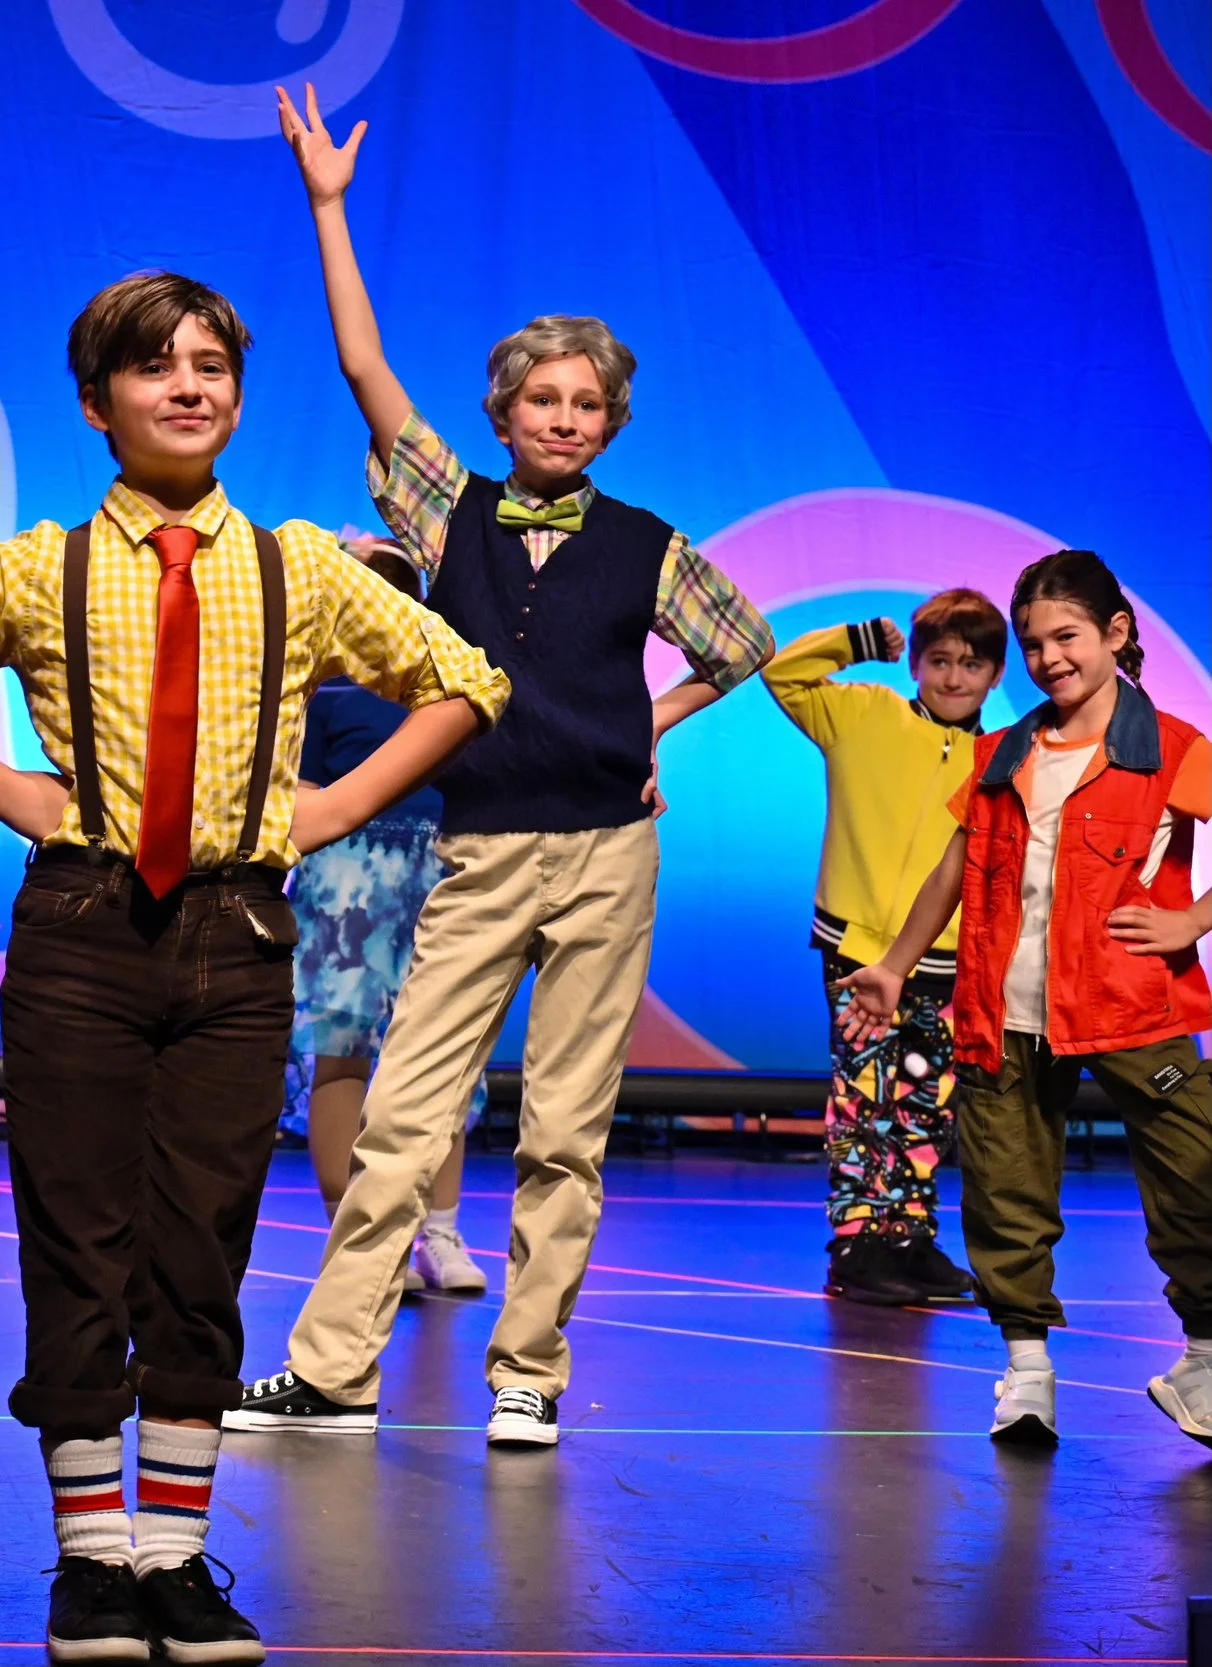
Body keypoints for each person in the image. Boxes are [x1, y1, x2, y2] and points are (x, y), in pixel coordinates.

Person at [0, 272, 506, 1664]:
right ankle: (90, 1555)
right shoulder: (40, 565)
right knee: (77, 1235)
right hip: (83, 929)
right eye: (156, 368)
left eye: (211, 366)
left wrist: (331, 806)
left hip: (239, 934)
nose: (188, 386)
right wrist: (9, 788)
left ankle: (179, 1553)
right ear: (97, 403)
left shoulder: (299, 564)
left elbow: (469, 681)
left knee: (202, 1242)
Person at [228, 84, 774, 1450]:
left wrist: (650, 727)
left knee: (566, 1133)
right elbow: (365, 370)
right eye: (545, 396)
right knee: (405, 1118)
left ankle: (528, 1371)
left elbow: (745, 642)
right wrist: (329, 208)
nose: (567, 416)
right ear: (506, 407)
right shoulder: (444, 506)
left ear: (613, 420)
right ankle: (334, 1370)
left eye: (590, 402)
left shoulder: (644, 539)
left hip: (603, 851)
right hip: (473, 852)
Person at [839, 550, 1212, 1452]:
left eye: (1068, 637)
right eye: (1035, 643)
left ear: (1116, 635)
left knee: (1196, 1181)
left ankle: (1203, 1357)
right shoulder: (1006, 752)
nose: (1049, 658)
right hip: (1005, 1009)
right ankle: (1028, 1373)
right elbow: (953, 868)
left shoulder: (1170, 746)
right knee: (1007, 1194)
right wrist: (892, 965)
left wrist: (1192, 920)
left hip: (1135, 1005)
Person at [763, 592, 1007, 1306]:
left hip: (946, 959)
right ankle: (858, 1242)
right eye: (940, 661)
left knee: (926, 1101)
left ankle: (909, 1235)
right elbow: (781, 673)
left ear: (995, 674)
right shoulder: (865, 713)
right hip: (859, 950)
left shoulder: (999, 758)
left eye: (972, 664)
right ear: (919, 664)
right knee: (863, 1094)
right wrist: (857, 637)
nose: (954, 678)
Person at [289, 529, 485, 1295]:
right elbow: (292, 787)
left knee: (445, 1049)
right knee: (340, 1049)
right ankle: (359, 1235)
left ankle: (438, 1228)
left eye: (398, 581)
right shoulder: (320, 684)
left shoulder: (451, 681)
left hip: (443, 871)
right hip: (348, 877)